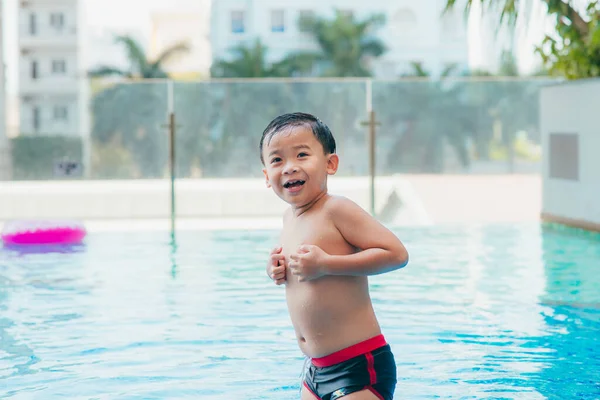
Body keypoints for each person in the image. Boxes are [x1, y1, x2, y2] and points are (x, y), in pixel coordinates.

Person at [260, 112, 409, 400]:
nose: (289, 167)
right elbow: (306, 279)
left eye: (302, 155)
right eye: (277, 160)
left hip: (358, 365)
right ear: (267, 176)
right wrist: (277, 270)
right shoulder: (288, 219)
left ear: (330, 163)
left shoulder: (336, 209)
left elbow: (396, 254)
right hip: (315, 370)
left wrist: (327, 264)